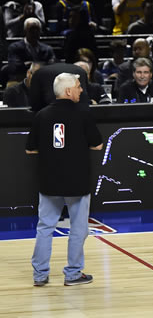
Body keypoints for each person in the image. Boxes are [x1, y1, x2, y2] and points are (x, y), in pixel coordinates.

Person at [26, 72, 103, 287]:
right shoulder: (83, 114)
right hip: (77, 182)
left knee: (45, 228)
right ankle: (73, 274)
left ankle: (40, 275)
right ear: (69, 91)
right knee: (78, 229)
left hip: (49, 180)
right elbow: (98, 145)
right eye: (78, 86)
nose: (81, 90)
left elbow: (30, 149)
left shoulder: (42, 115)